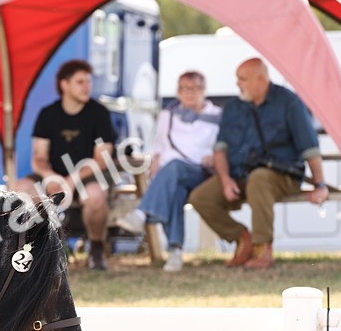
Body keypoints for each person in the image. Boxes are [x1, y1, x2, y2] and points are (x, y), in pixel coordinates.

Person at [186, 58, 330, 269]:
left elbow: (310, 149)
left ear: (261, 80)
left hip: (281, 176)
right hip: (239, 175)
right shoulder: (234, 107)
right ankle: (242, 239)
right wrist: (225, 180)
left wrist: (320, 185)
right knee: (200, 197)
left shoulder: (289, 103)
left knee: (259, 178)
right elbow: (220, 149)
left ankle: (263, 249)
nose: (237, 84)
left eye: (242, 79)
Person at [16, 60, 117, 271]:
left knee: (96, 196)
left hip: (88, 177)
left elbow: (101, 160)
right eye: (80, 82)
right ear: (64, 85)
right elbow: (38, 157)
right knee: (21, 188)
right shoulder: (48, 114)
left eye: (88, 82)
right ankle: (43, 248)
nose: (87, 86)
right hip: (54, 176)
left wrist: (71, 181)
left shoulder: (99, 113)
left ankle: (96, 249)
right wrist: (52, 177)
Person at [116, 71, 221, 273]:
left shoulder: (216, 116)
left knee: (174, 166)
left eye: (193, 88)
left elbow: (222, 147)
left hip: (200, 171)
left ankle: (142, 212)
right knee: (176, 190)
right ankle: (176, 251)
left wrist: (214, 157)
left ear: (203, 90)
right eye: (183, 88)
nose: (188, 93)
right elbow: (159, 147)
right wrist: (154, 168)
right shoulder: (168, 114)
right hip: (172, 174)